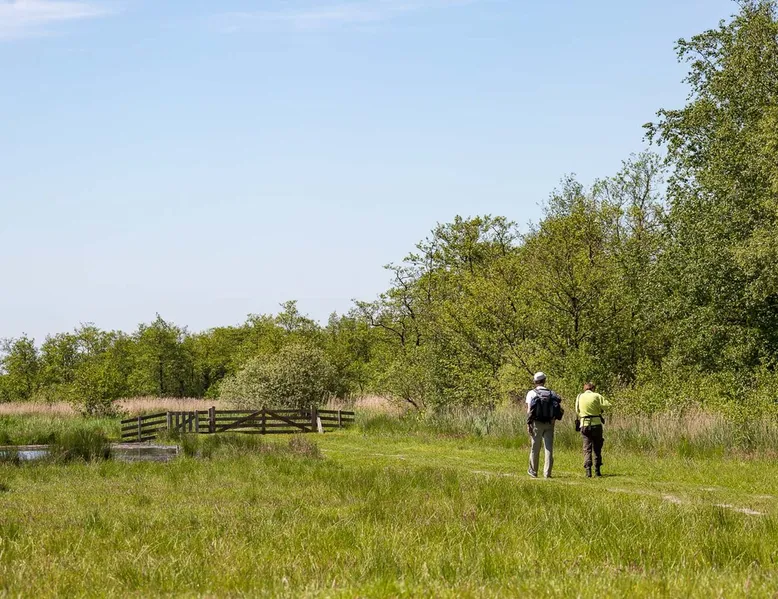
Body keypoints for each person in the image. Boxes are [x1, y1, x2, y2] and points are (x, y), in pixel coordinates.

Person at [525, 372, 563, 478]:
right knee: (548, 448)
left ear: (535, 381)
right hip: (549, 423)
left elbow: (529, 411)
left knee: (535, 448)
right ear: (544, 381)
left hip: (536, 423)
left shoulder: (531, 393)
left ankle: (533, 471)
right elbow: (556, 409)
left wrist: (529, 424)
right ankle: (547, 473)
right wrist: (553, 420)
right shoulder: (551, 393)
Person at [575, 382, 611, 478]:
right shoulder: (597, 395)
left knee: (587, 448)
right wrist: (599, 409)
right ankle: (597, 470)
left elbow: (577, 411)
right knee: (597, 447)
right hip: (596, 424)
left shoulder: (579, 396)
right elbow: (608, 405)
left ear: (585, 389)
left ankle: (588, 471)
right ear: (593, 388)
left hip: (584, 424)